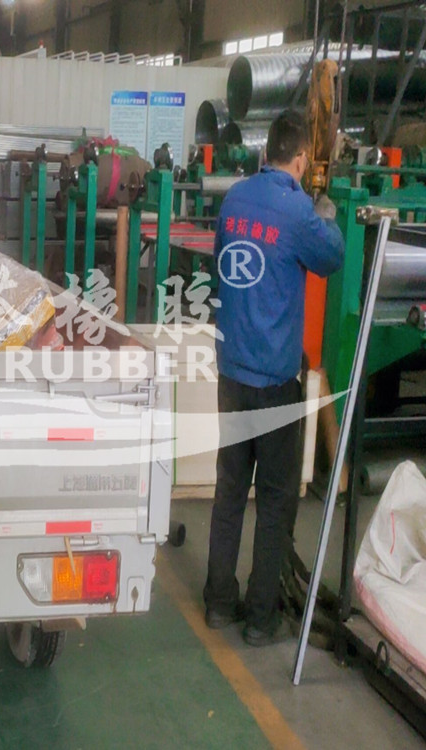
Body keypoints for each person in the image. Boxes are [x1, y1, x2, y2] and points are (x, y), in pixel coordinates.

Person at [204, 109, 345, 646]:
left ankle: (219, 604)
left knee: (230, 491)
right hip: (275, 382)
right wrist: (326, 211)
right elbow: (331, 257)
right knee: (275, 499)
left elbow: (222, 263)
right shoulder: (299, 212)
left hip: (232, 372)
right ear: (303, 158)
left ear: (267, 152)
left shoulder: (234, 200)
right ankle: (261, 620)